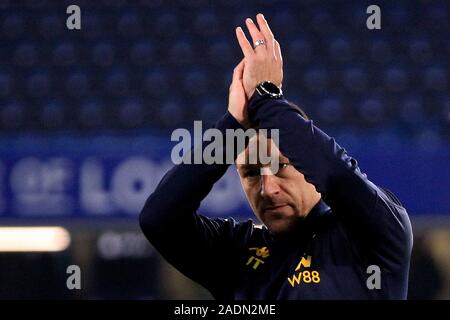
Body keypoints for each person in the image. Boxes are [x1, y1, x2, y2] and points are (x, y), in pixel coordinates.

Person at [139, 14, 413, 299]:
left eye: (281, 166)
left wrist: (266, 99)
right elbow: (158, 219)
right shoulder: (236, 253)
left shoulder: (372, 233)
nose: (267, 188)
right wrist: (233, 125)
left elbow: (337, 175)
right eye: (252, 172)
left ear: (308, 165)